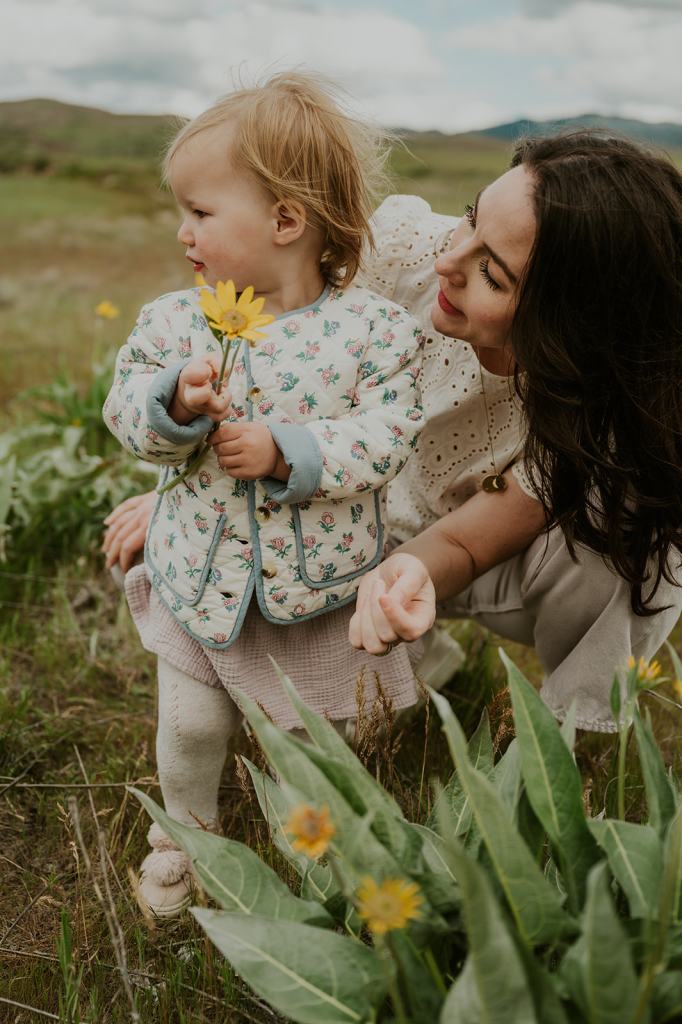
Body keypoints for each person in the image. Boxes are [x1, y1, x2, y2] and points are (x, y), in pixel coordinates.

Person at [103, 72, 426, 917]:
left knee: (314, 746)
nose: (183, 232)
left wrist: (291, 450)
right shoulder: (175, 325)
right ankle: (185, 834)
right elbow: (124, 410)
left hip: (317, 591)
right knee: (190, 726)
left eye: (201, 212)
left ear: (286, 221)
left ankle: (314, 846)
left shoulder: (374, 333)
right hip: (200, 578)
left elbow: (389, 435)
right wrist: (173, 405)